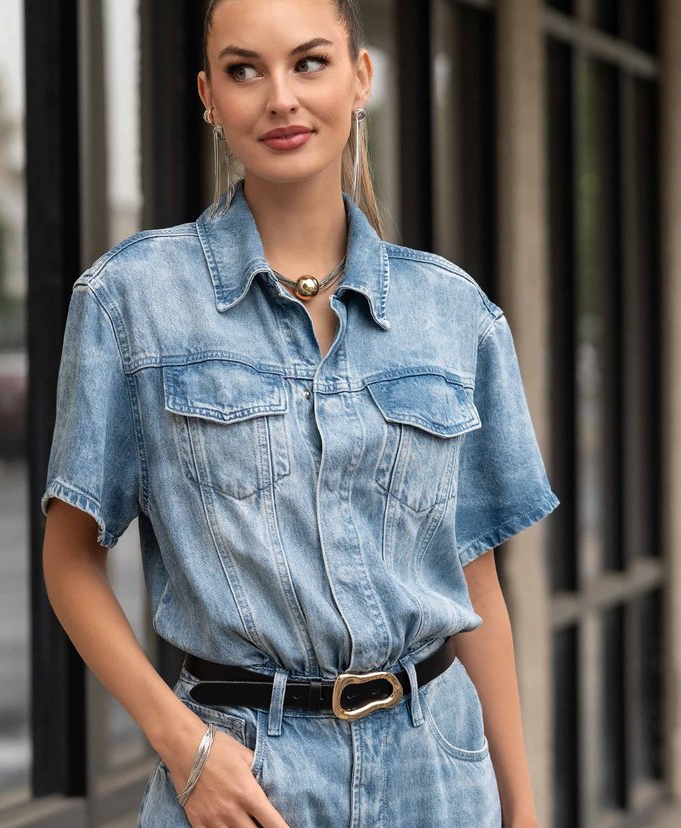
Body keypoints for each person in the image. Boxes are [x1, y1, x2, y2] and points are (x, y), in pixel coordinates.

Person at [40, 0, 560, 825]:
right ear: (209, 97)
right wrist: (185, 746)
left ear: (360, 79)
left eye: (309, 63)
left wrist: (524, 812)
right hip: (243, 778)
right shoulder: (130, 301)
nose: (280, 97)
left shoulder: (453, 314)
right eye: (245, 70)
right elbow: (70, 560)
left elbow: (475, 580)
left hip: (438, 772)